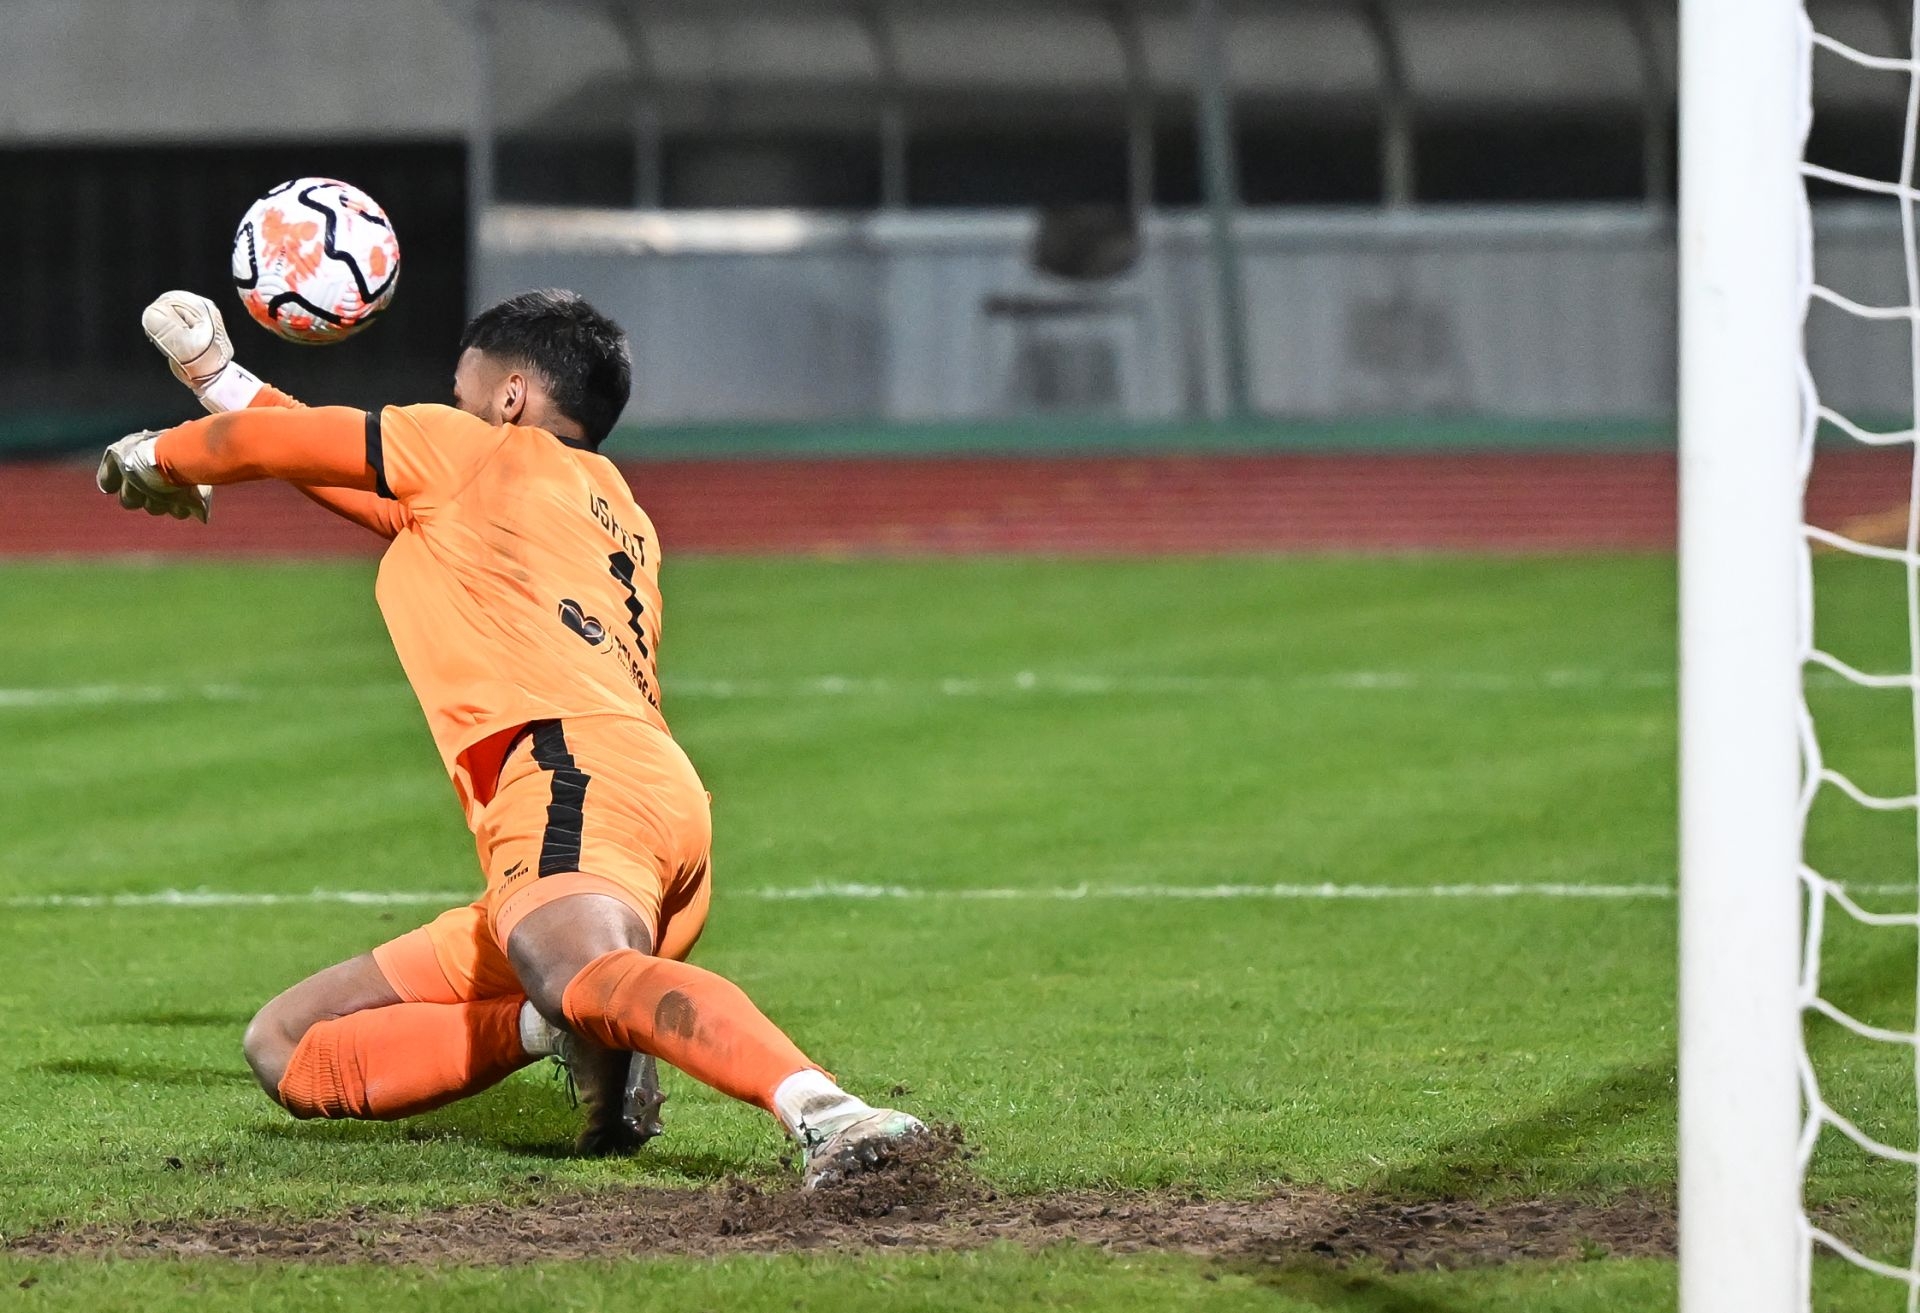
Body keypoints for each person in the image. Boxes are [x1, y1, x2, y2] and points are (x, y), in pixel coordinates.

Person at [97, 287, 924, 1185]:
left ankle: (829, 1111)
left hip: (567, 778)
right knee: (288, 1043)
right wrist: (218, 378)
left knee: (584, 966)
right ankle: (556, 1028)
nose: (446, 412)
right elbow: (334, 466)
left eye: (459, 395)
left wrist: (154, 456)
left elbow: (272, 447)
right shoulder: (611, 507)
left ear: (512, 395)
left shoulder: (476, 449)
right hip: (646, 798)